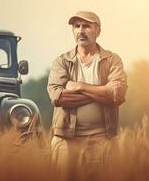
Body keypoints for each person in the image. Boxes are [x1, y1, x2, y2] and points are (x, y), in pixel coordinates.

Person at [47, 11, 127, 178]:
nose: (81, 31)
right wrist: (101, 91)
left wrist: (79, 86)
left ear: (98, 31)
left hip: (103, 139)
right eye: (77, 26)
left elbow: (117, 95)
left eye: (86, 26)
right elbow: (58, 97)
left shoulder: (112, 60)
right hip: (66, 141)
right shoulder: (62, 61)